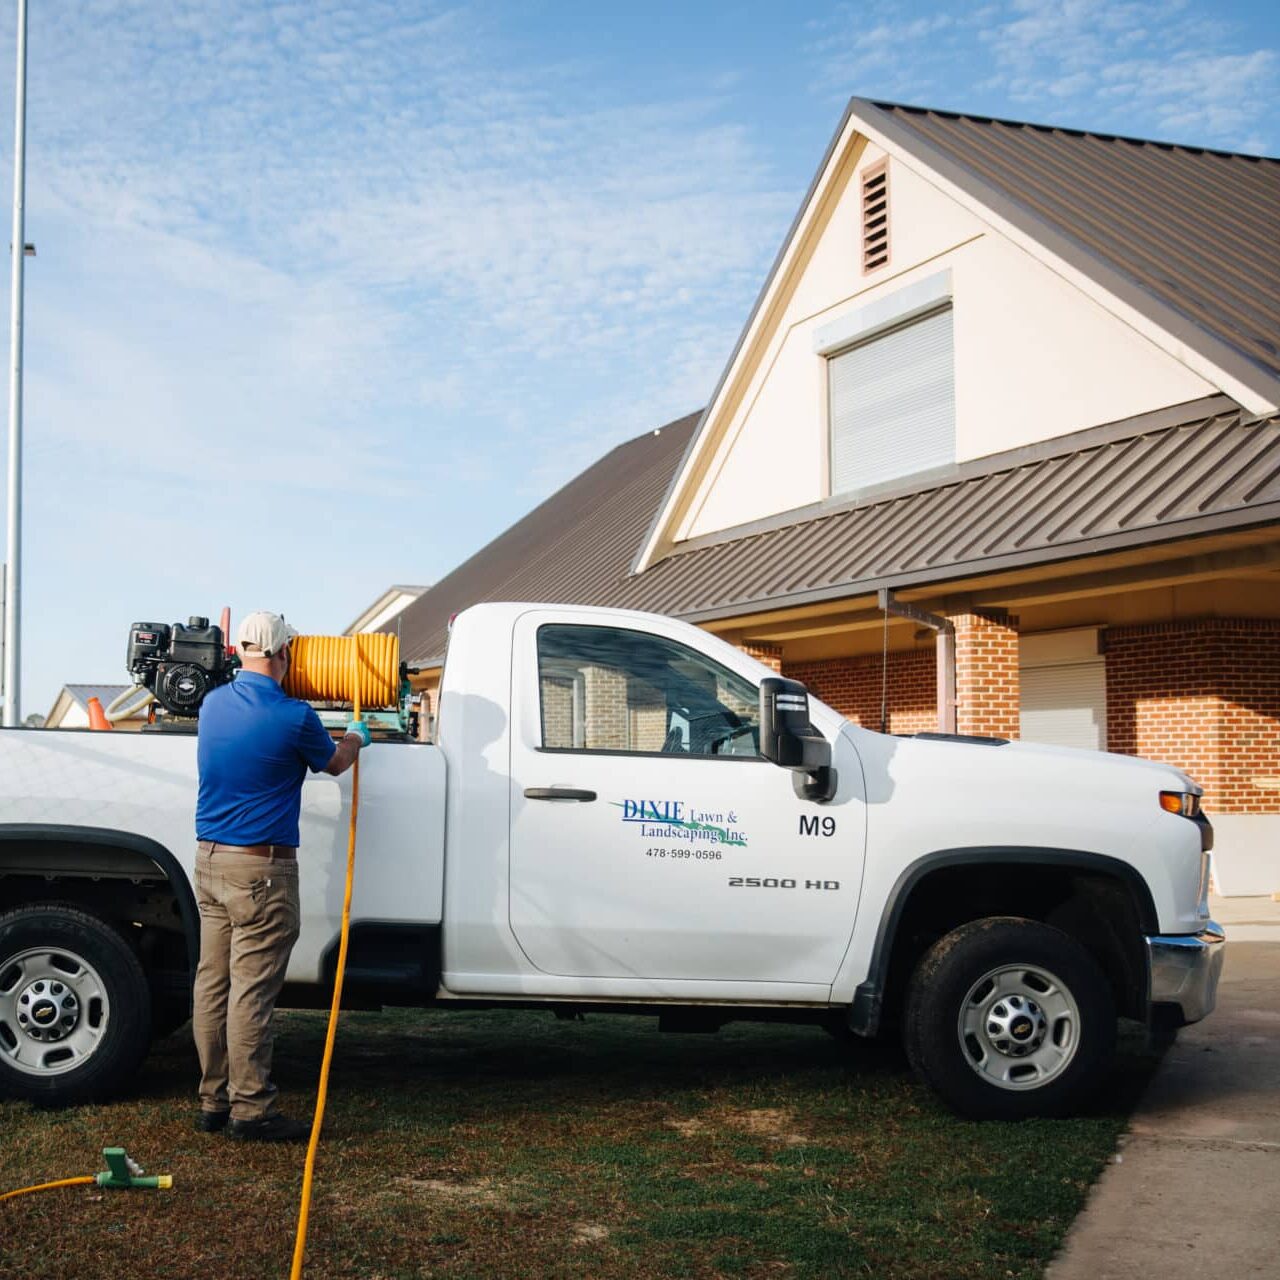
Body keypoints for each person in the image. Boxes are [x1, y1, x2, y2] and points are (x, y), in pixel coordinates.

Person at [191, 610, 369, 1142]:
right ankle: (251, 1110)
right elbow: (334, 763)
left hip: (210, 862)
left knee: (212, 983)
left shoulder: (212, 704)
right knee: (251, 992)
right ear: (281, 654)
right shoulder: (294, 715)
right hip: (260, 871)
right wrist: (357, 737)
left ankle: (212, 1100)